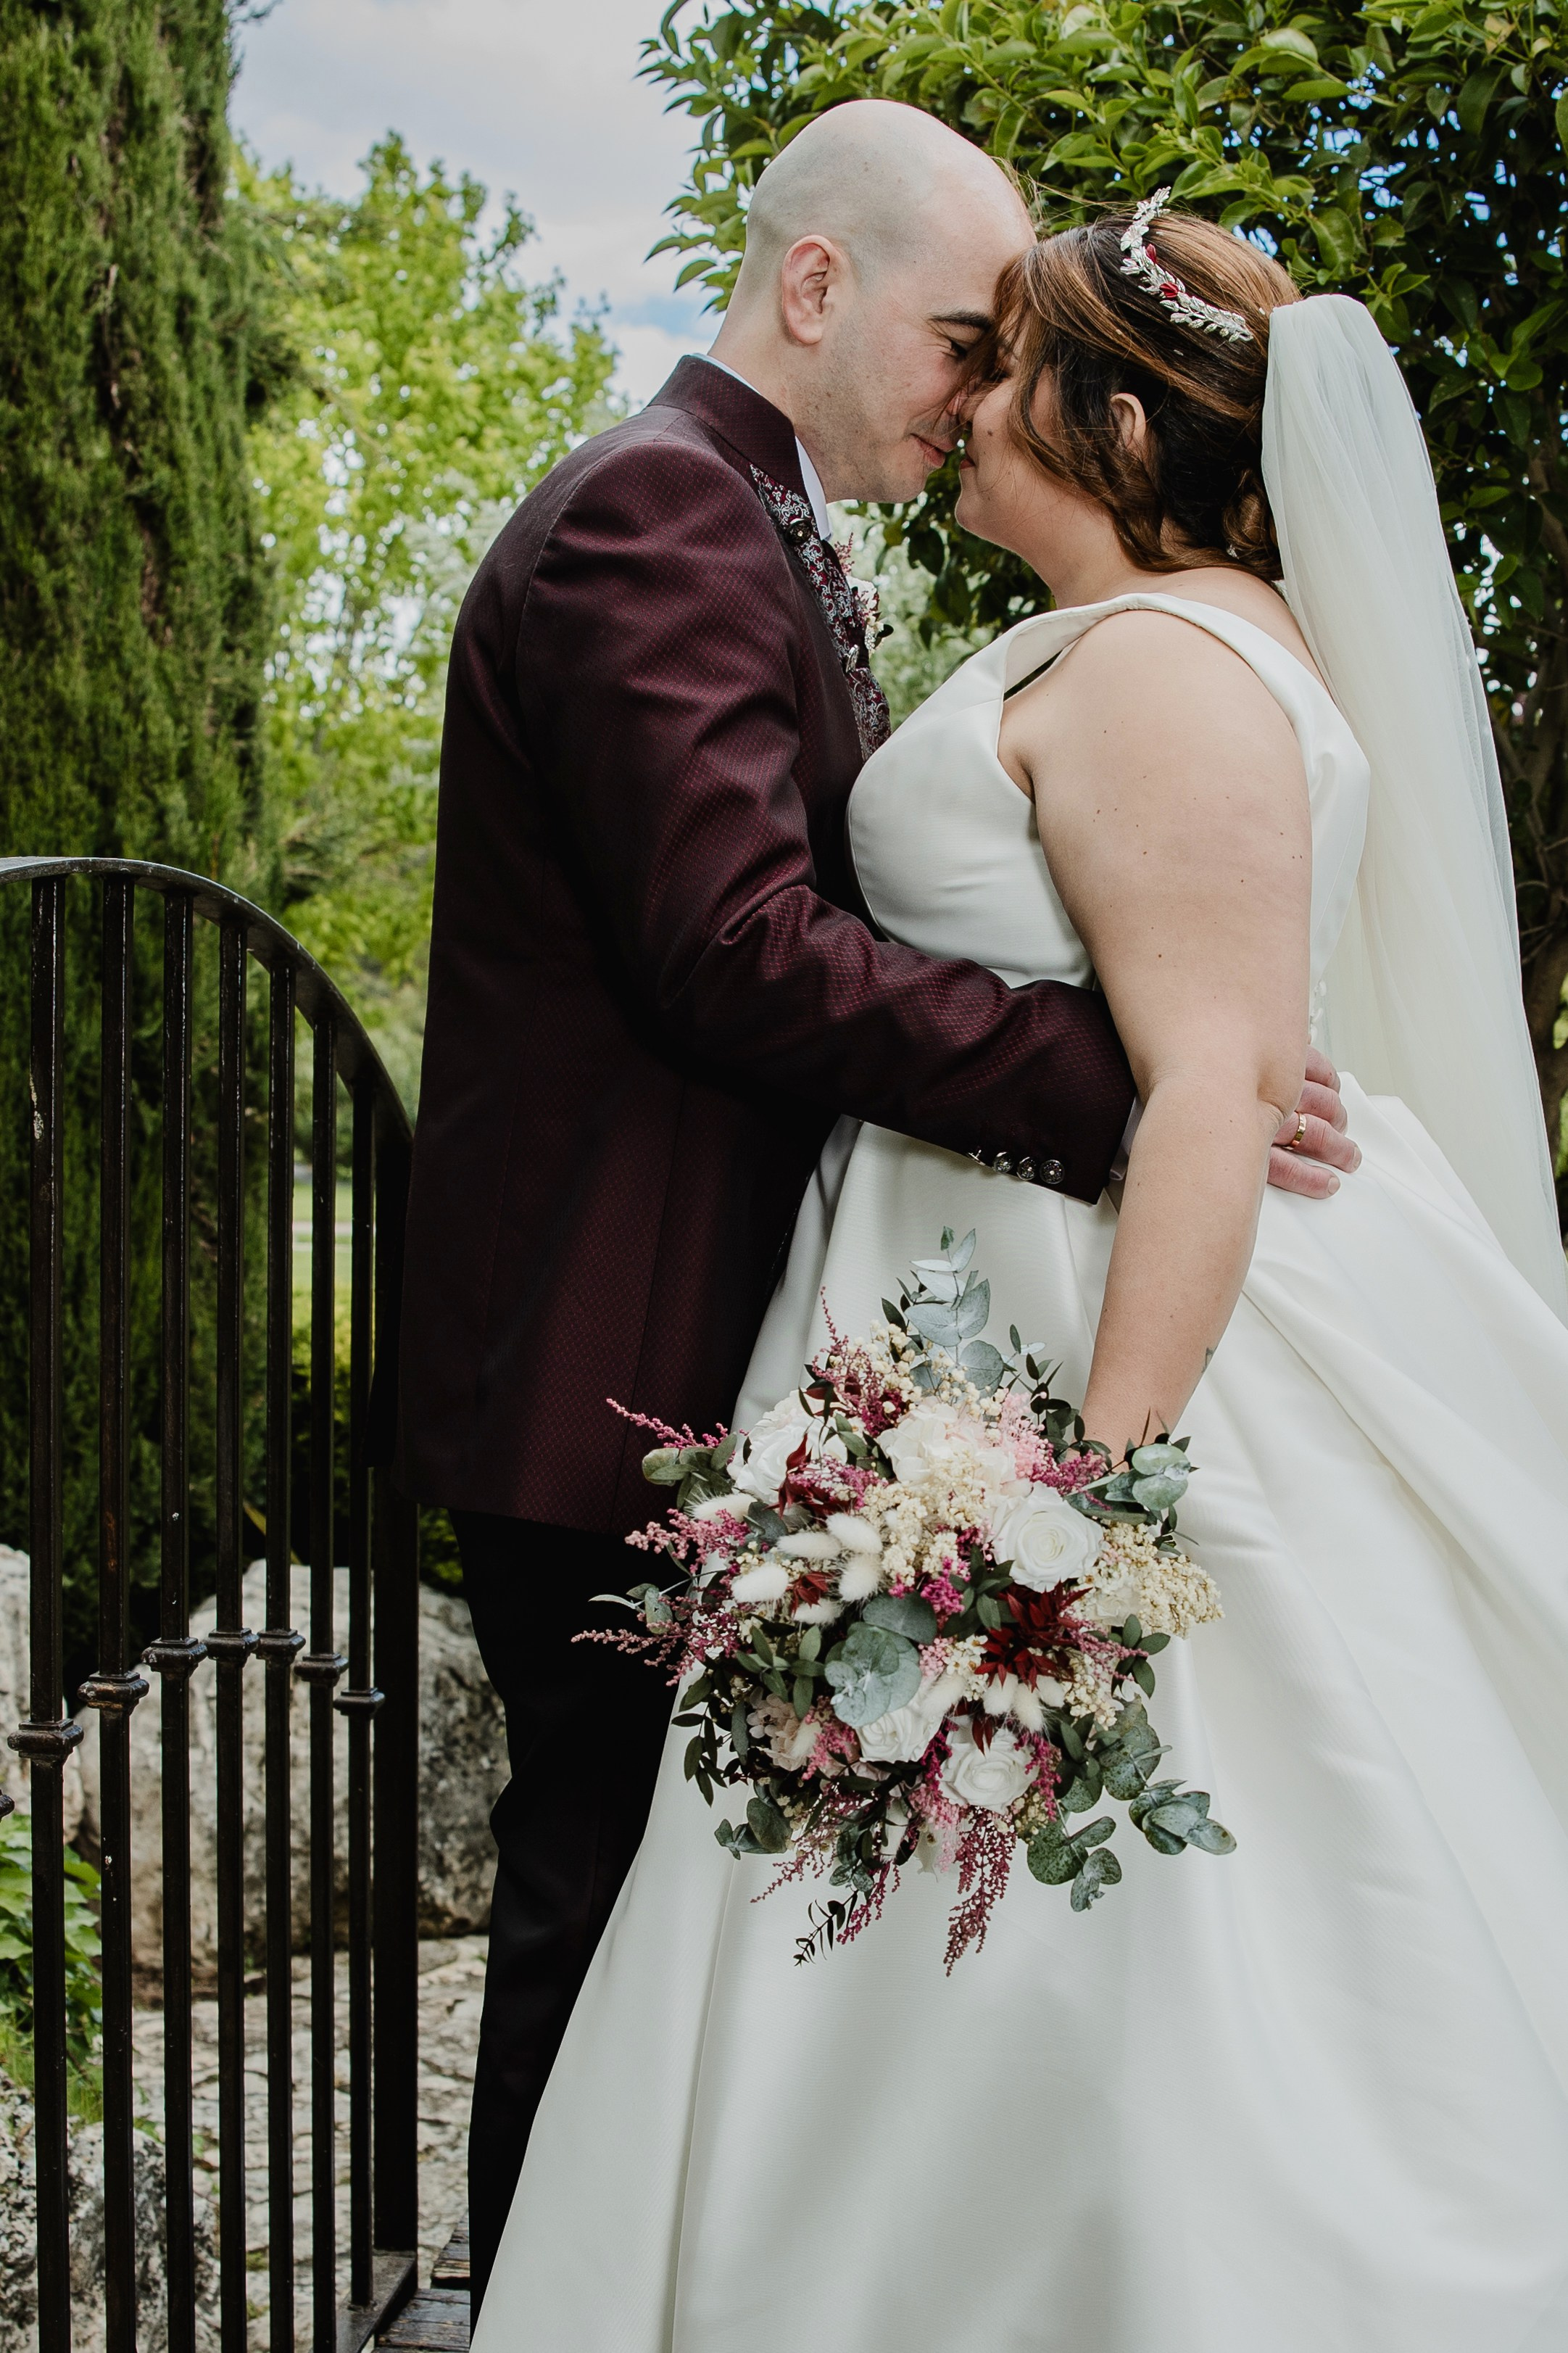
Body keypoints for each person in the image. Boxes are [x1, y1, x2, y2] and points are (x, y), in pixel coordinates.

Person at [470, 204, 1568, 2352]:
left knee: (1148, 1938)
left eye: (1004, 363)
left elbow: (1196, 1099)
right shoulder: (1127, 635)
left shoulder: (1163, 664)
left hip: (1098, 1352)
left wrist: (1084, 1495)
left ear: (1107, 410)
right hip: (970, 1320)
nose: (961, 404)